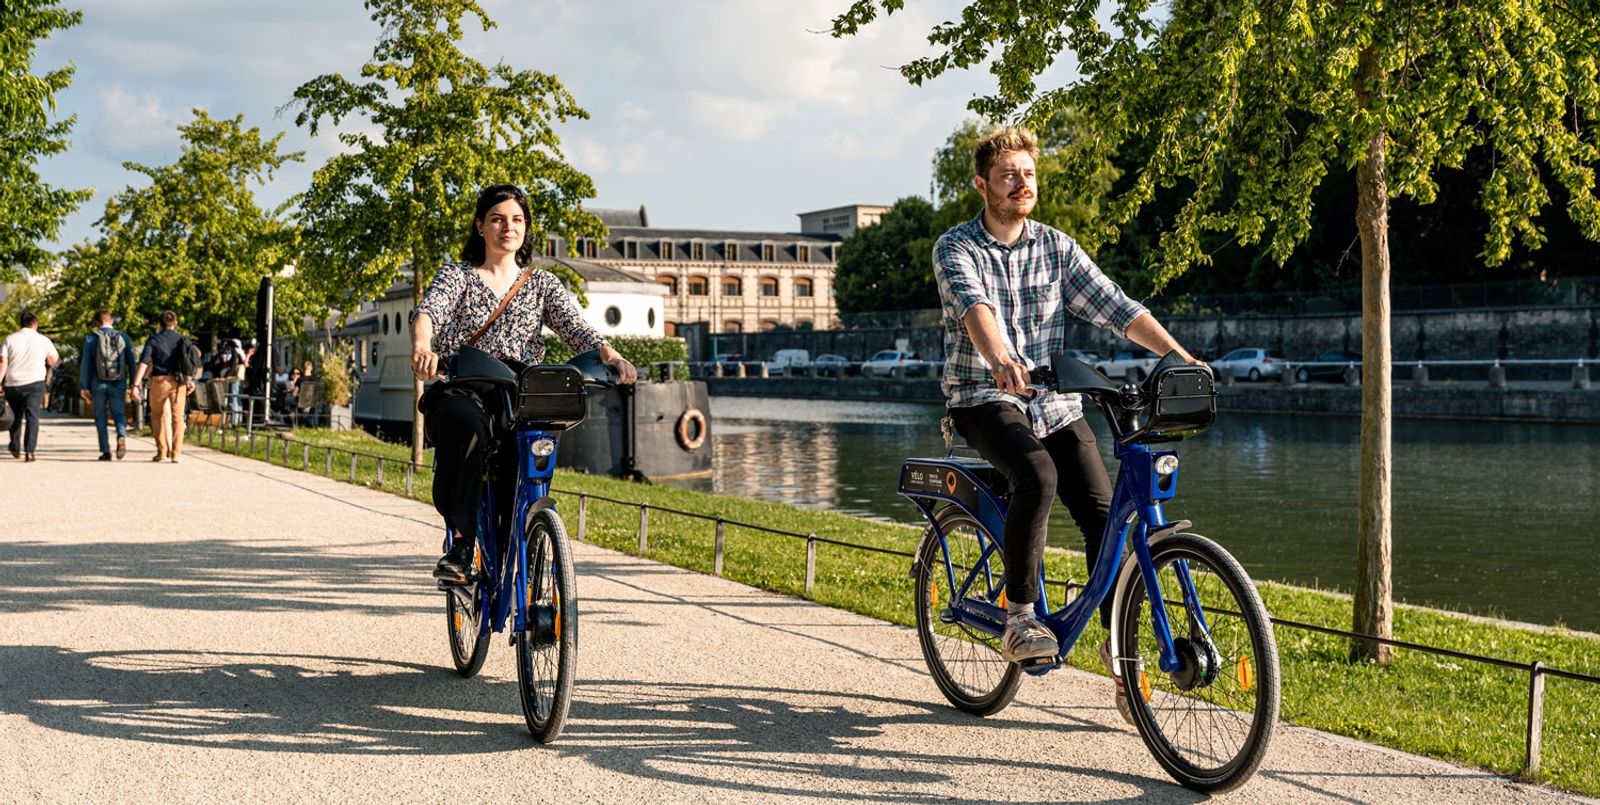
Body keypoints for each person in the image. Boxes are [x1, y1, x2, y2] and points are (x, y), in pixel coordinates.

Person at [933, 127, 1201, 722]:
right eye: (1007, 174)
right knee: (1036, 473)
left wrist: (1176, 356)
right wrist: (1000, 359)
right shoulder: (957, 247)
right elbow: (975, 307)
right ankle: (1021, 616)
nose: (1020, 182)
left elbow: (1116, 305)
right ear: (982, 185)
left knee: (1106, 518)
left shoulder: (1057, 247)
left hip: (1054, 400)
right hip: (983, 394)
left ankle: (1124, 668)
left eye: (1028, 173)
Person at [411, 184, 638, 582]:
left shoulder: (541, 284)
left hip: (519, 394)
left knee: (534, 455)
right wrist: (422, 346)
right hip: (465, 386)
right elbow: (428, 312)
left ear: (526, 228)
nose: (507, 227)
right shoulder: (458, 276)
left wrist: (612, 357)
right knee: (466, 428)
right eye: (497, 219)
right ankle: (462, 548)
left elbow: (577, 329)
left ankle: (533, 547)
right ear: (480, 225)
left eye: (516, 219)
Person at [131, 310, 197, 463]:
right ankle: (176, 454)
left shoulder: (153, 340)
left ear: (160, 324)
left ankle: (161, 451)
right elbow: (189, 361)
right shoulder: (182, 340)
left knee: (157, 416)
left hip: (159, 382)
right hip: (179, 382)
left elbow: (144, 362)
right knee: (178, 418)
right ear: (175, 323)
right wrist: (191, 380)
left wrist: (135, 384)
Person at [0, 311, 61, 461]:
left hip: (13, 383)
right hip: (35, 383)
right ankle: (30, 451)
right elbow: (55, 360)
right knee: (32, 416)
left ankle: (15, 446)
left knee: (15, 416)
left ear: (21, 323)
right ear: (36, 324)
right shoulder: (44, 340)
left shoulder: (9, 339)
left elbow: (3, 363)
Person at [79, 309, 139, 461]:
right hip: (118, 383)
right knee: (119, 414)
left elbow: (86, 364)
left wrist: (83, 386)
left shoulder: (91, 338)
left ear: (97, 323)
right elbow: (131, 363)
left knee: (100, 417)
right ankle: (121, 436)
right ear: (111, 320)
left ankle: (106, 450)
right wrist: (134, 384)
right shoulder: (123, 337)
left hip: (97, 383)